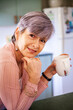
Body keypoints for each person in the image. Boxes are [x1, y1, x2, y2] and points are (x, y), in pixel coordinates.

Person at [0, 11, 57, 110]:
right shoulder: (6, 61)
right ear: (18, 33)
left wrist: (49, 73)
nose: (36, 45)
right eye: (32, 35)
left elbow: (26, 99)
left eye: (42, 40)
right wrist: (33, 79)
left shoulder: (24, 56)